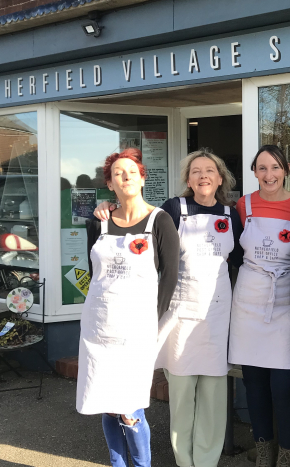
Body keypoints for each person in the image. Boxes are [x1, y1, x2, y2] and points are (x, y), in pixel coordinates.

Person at [94, 149, 243, 467]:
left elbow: (242, 263)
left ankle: (206, 462)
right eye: (196, 171)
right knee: (183, 397)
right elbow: (140, 240)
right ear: (188, 180)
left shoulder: (232, 216)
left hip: (217, 316)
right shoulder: (174, 209)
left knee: (214, 399)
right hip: (179, 315)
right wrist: (109, 210)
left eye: (210, 170)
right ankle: (184, 461)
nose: (204, 175)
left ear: (220, 178)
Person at [77, 148, 180, 467]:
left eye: (132, 171)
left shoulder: (159, 220)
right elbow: (94, 273)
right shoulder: (99, 222)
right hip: (99, 329)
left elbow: (170, 276)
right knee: (106, 403)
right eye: (118, 173)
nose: (126, 177)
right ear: (110, 183)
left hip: (136, 330)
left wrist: (153, 319)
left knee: (130, 406)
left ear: (142, 178)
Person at [228, 144, 290, 467]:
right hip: (248, 302)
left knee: (285, 385)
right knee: (255, 383)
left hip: (286, 303)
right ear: (254, 172)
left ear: (286, 169)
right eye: (262, 168)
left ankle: (288, 453)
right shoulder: (243, 206)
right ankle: (263, 450)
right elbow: (233, 252)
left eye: (275, 167)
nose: (269, 174)